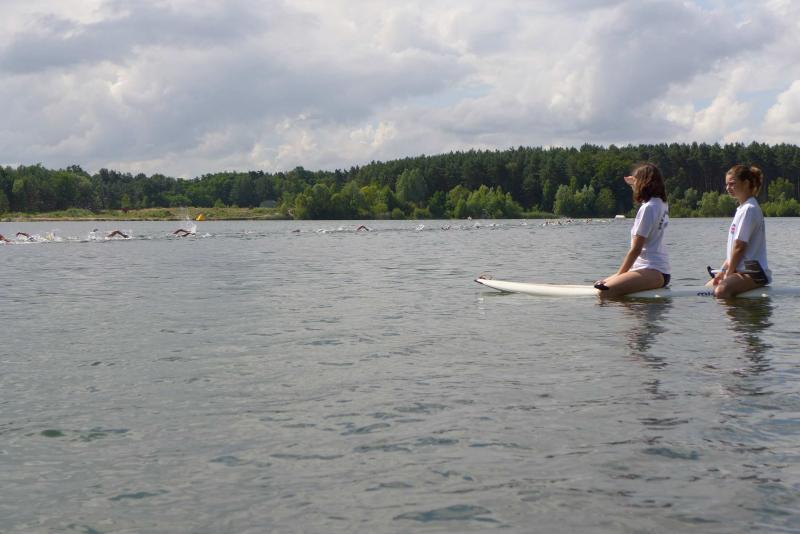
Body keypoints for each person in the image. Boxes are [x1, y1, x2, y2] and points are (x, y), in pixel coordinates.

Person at [594, 163, 670, 298]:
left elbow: (636, 249)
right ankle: (631, 308)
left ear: (643, 182)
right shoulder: (661, 203)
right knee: (599, 284)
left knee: (604, 291)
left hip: (652, 270)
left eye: (635, 181)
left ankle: (630, 310)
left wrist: (619, 275)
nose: (633, 186)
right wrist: (634, 182)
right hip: (655, 270)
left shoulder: (648, 208)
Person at [707, 165, 770, 298]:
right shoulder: (742, 209)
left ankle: (735, 313)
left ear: (746, 183)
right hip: (741, 272)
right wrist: (722, 271)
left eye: (732, 184)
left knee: (721, 291)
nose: (728, 188)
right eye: (727, 184)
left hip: (754, 273)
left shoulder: (749, 209)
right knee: (707, 288)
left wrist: (728, 274)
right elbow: (733, 251)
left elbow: (740, 248)